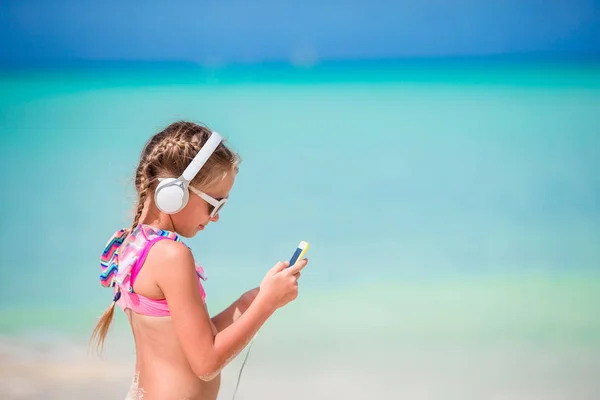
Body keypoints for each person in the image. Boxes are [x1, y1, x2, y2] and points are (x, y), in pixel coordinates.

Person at [91, 121, 308, 400]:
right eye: (214, 203)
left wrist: (248, 302)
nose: (216, 216)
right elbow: (205, 363)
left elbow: (187, 339)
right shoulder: (171, 255)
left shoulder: (135, 244)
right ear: (174, 194)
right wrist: (267, 305)